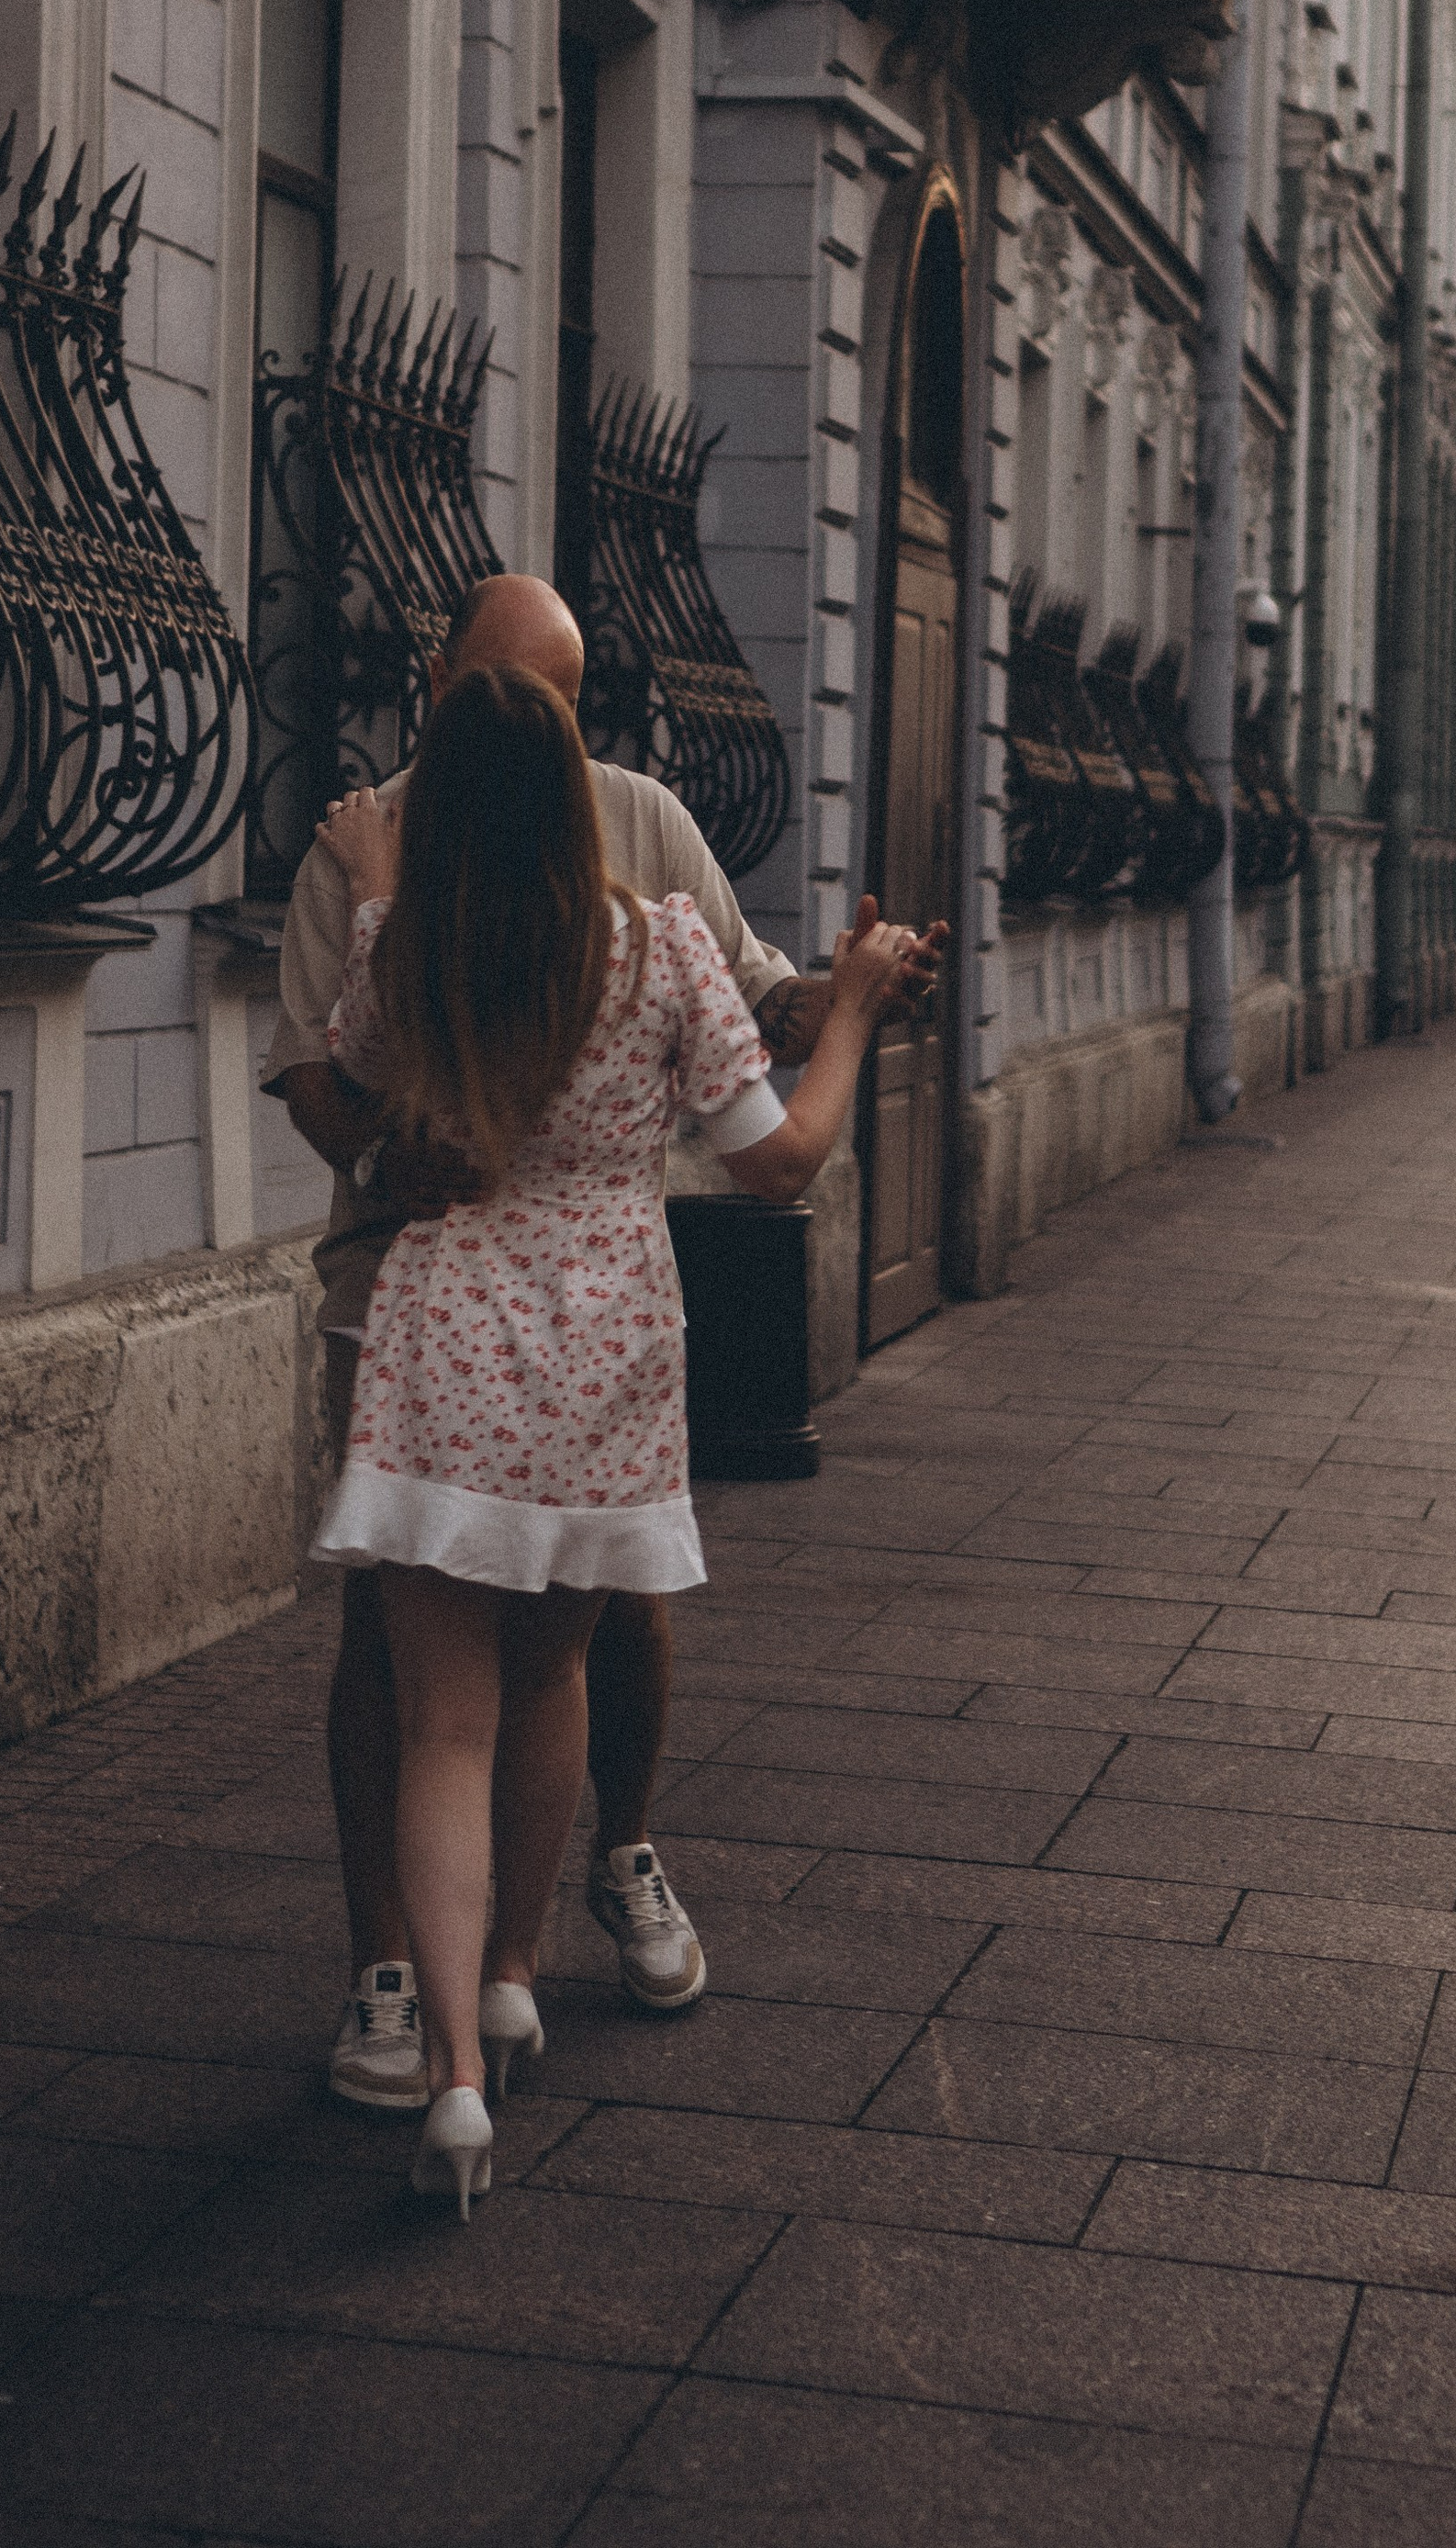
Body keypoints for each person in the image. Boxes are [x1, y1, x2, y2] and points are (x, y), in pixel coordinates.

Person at [263, 573, 946, 2116]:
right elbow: (769, 1147)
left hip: (449, 1320)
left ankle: (452, 2041)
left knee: (457, 1686)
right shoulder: (639, 936)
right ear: (442, 686)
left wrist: (382, 906)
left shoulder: (399, 892)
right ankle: (489, 1974)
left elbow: (356, 1034)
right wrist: (845, 1018)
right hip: (588, 1320)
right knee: (534, 1653)